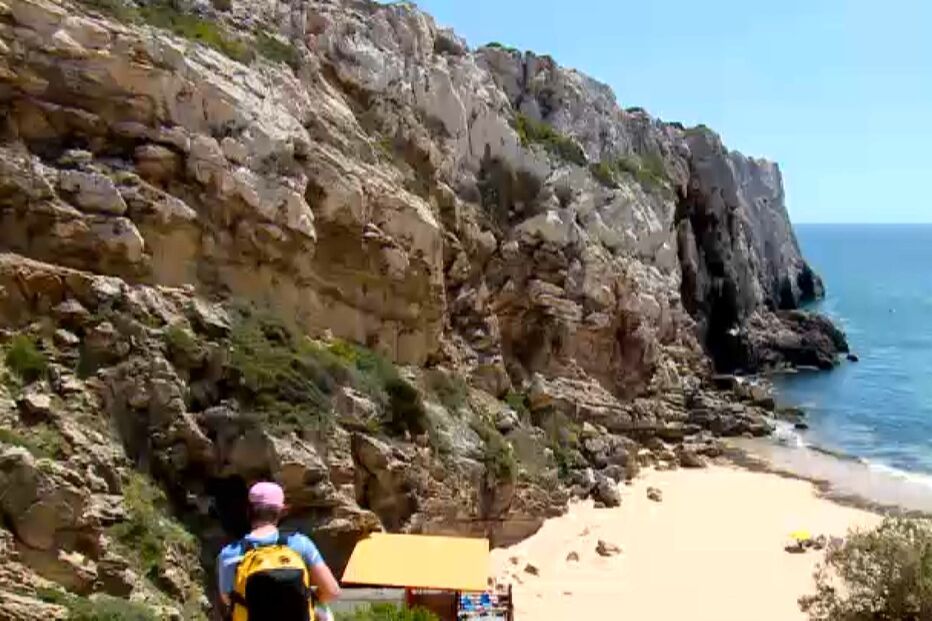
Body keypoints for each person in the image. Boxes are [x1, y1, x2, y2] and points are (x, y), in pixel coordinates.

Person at [218, 481, 341, 620]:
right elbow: (332, 591)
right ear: (282, 511)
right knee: (324, 613)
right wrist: (307, 596)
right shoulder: (301, 544)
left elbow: (227, 599)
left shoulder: (229, 553)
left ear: (248, 511)